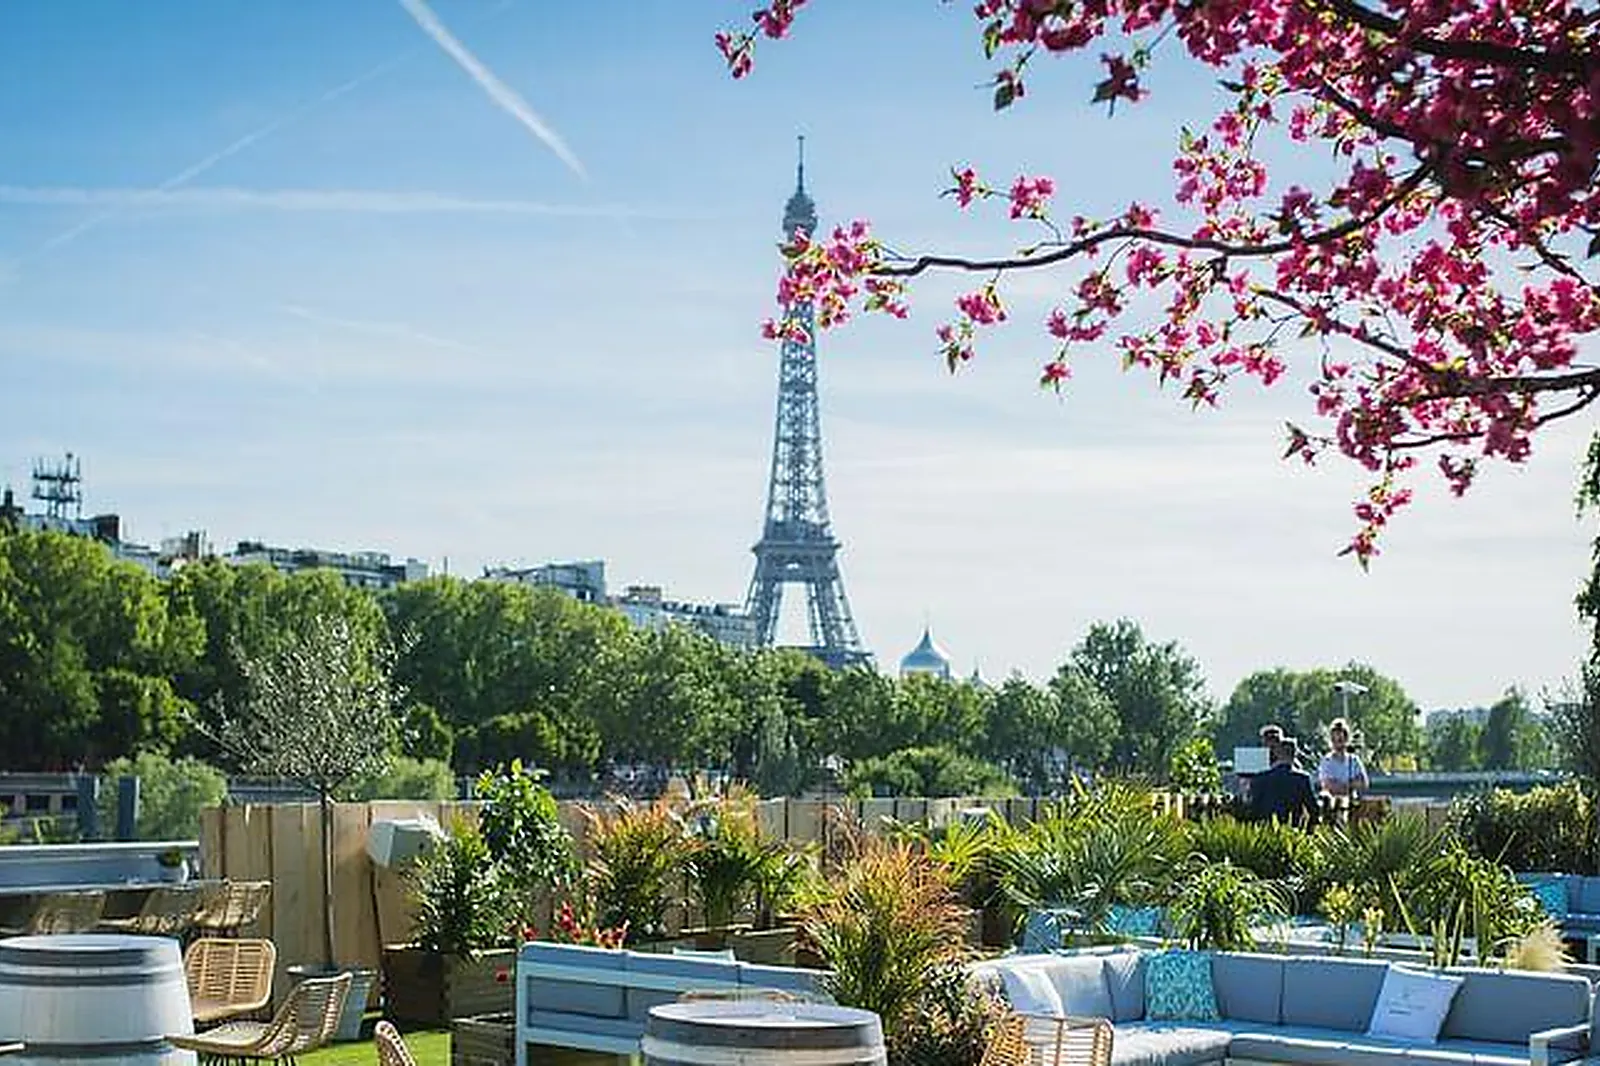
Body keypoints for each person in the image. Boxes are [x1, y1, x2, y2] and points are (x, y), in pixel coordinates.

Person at [1249, 736, 1318, 826]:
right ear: (1294, 755)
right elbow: (1313, 810)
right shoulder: (1302, 779)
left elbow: (1253, 809)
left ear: (1277, 754)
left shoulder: (1260, 778)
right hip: (1293, 830)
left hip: (1266, 831)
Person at [1317, 718, 1370, 798]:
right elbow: (1327, 785)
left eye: (1341, 739)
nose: (1339, 741)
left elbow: (1364, 783)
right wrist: (1351, 784)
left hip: (1352, 802)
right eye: (1336, 738)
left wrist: (1341, 785)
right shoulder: (1326, 761)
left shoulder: (1354, 760)